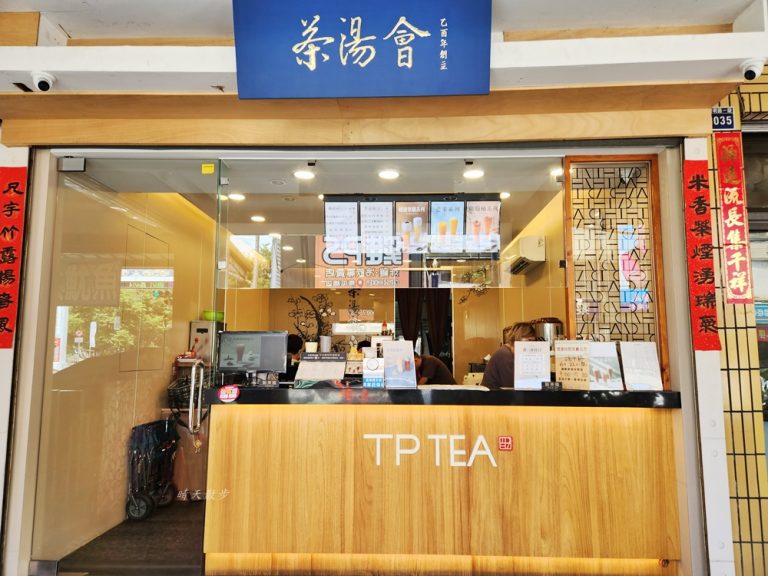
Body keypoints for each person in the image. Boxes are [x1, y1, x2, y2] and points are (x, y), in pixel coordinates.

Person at [481, 322, 537, 390]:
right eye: (529, 340)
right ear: (518, 337)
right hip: (493, 395)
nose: (532, 345)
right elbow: (512, 386)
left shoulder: (508, 352)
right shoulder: (505, 355)